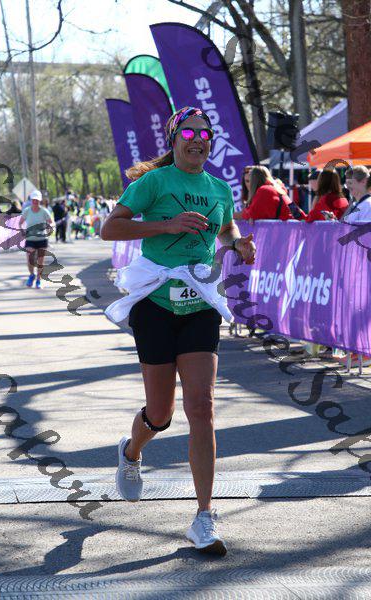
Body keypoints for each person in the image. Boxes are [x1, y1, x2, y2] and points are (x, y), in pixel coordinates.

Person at [101, 106, 255, 556]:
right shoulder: (154, 182)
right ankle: (131, 451)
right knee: (161, 413)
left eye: (205, 134)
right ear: (174, 140)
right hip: (155, 304)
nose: (198, 140)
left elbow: (226, 227)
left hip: (200, 304)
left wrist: (237, 243)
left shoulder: (218, 188)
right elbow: (110, 227)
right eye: (188, 133)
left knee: (202, 407)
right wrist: (167, 225)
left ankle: (204, 516)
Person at [19, 190, 53, 289]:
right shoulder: (27, 211)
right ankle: (31, 275)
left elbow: (51, 222)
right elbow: (20, 223)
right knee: (30, 259)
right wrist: (22, 231)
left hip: (42, 238)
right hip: (30, 238)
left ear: (40, 201)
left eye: (37, 200)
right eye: (33, 200)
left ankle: (38, 280)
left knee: (40, 261)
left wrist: (49, 228)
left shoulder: (44, 211)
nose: (35, 202)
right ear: (31, 200)